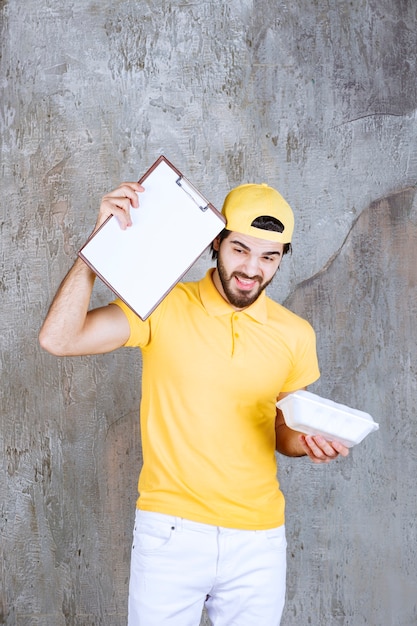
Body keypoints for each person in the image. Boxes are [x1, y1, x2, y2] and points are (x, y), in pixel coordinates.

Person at [39, 179, 349, 626]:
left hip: (258, 542)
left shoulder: (295, 334)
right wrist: (96, 249)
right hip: (170, 534)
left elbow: (282, 432)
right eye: (240, 249)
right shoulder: (162, 304)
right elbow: (59, 339)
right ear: (217, 243)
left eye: (269, 256)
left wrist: (309, 442)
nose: (251, 268)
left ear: (282, 258)